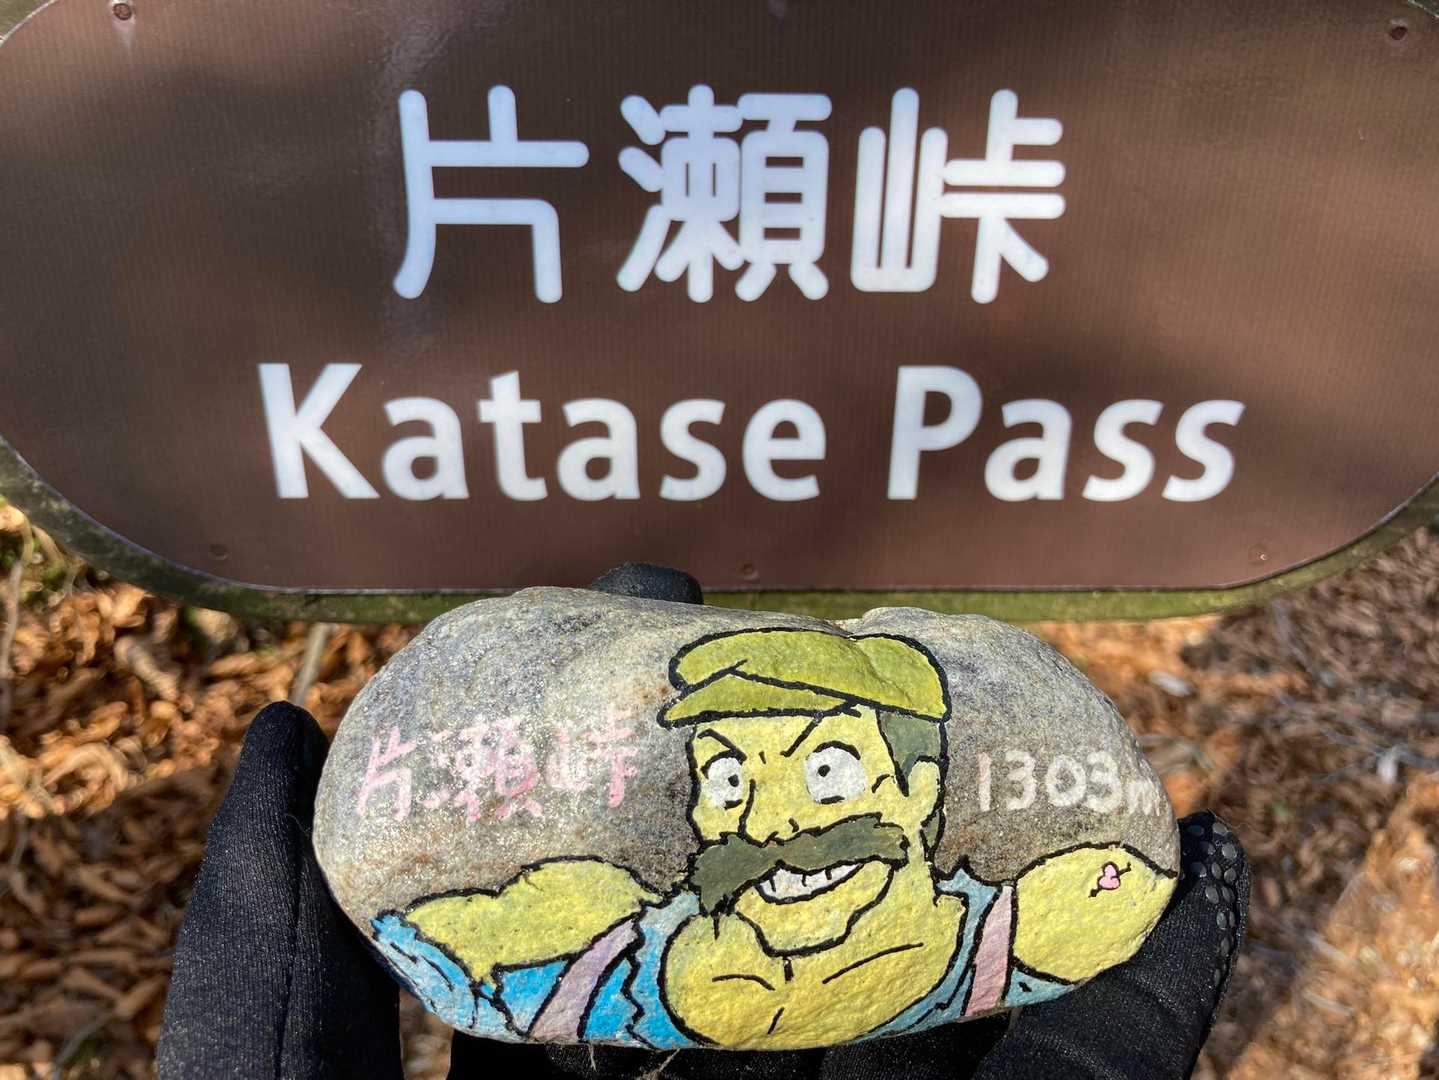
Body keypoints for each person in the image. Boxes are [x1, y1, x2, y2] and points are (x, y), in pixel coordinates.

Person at [156, 564, 1249, 1079]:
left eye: (828, 769)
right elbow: (465, 910)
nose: (772, 823)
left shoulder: (1018, 923)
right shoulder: (588, 950)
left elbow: (1104, 873)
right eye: (727, 778)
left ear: (919, 793)